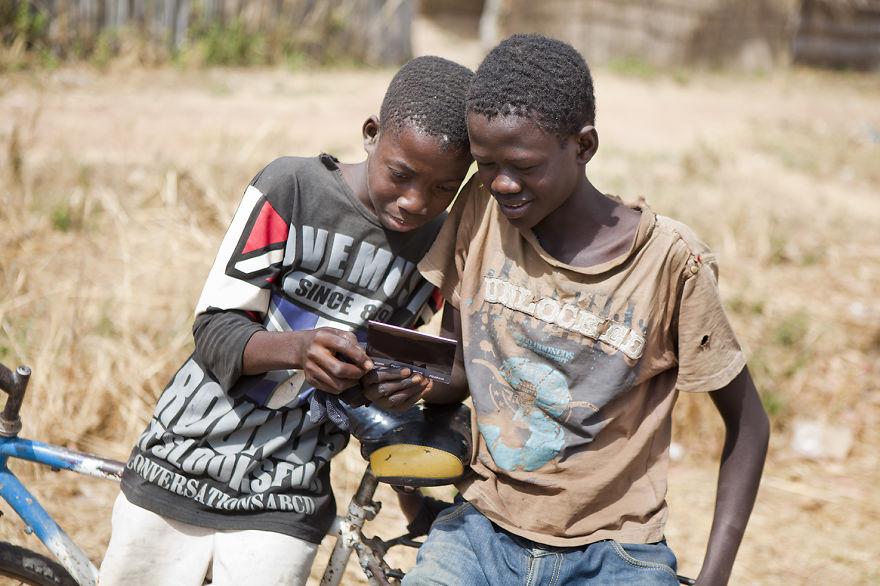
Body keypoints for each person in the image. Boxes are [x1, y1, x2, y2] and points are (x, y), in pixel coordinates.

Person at [404, 34, 770, 586]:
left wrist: (714, 578)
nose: (502, 183)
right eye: (485, 164)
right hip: (480, 533)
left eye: (523, 165)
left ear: (583, 145)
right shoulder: (480, 216)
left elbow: (749, 425)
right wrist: (396, 379)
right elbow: (458, 373)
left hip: (613, 554)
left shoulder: (669, 264)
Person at [98, 55, 475, 586]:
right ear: (371, 134)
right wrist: (298, 349)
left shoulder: (438, 247)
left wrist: (397, 385)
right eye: (401, 174)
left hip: (288, 494)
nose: (415, 201)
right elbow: (215, 329)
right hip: (180, 462)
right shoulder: (293, 189)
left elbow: (433, 373)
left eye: (443, 188)